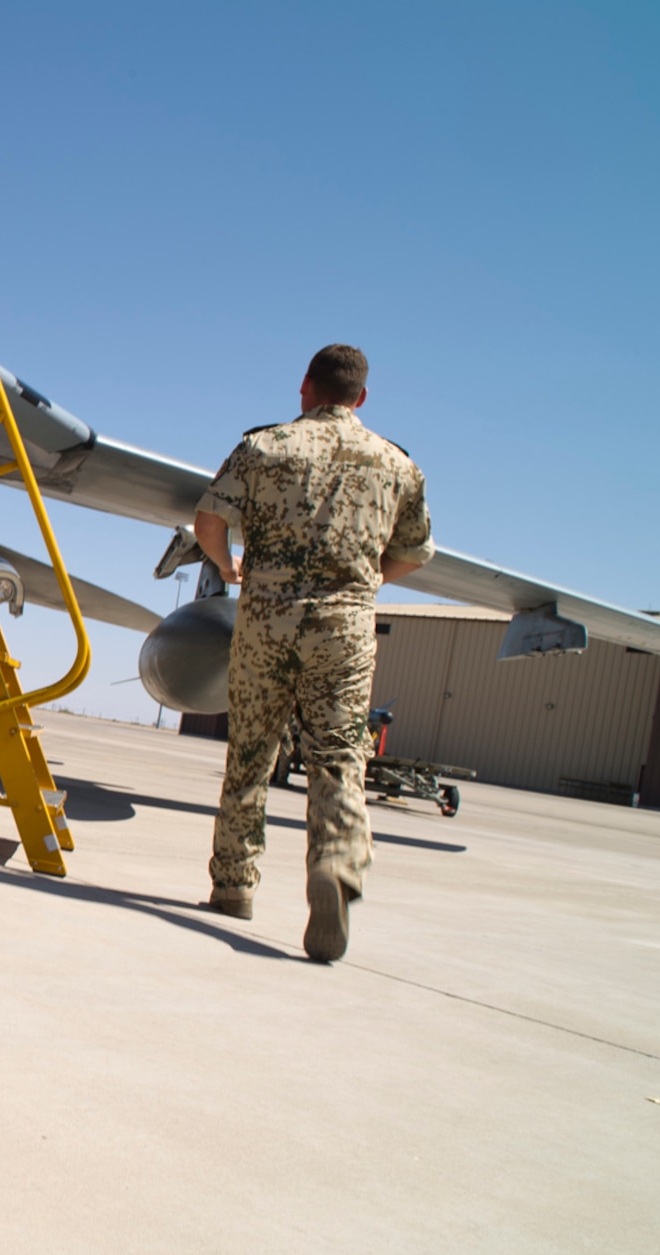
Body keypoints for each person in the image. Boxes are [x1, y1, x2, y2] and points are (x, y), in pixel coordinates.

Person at [192, 344, 433, 962]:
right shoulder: (396, 464)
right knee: (337, 757)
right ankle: (334, 865)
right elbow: (413, 554)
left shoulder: (264, 446)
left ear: (306, 387)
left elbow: (209, 522)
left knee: (249, 755)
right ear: (362, 397)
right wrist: (365, 580)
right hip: (344, 630)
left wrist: (229, 567)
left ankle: (233, 888)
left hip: (266, 621)